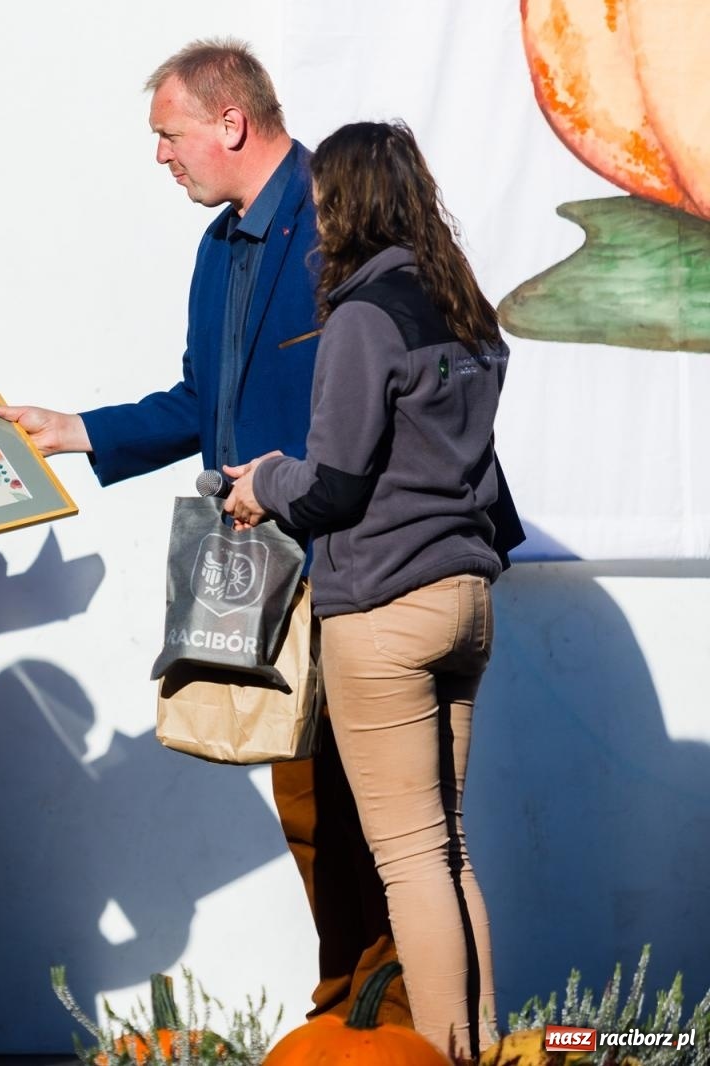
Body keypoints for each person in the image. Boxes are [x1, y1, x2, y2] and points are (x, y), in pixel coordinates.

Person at [0, 39, 412, 1025]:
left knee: (369, 802)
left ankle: (390, 1008)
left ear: (230, 123)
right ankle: (339, 991)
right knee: (302, 798)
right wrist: (77, 431)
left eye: (167, 134)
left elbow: (382, 392)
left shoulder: (341, 213)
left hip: (352, 560)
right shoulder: (219, 245)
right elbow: (201, 399)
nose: (159, 156)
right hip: (257, 564)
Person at [224, 120, 515, 1062]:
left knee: (409, 860)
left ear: (342, 201)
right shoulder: (464, 305)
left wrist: (261, 481)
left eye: (319, 198)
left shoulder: (363, 314)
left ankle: (435, 1051)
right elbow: (474, 469)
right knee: (451, 847)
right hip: (467, 597)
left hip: (386, 608)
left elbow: (336, 485)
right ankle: (482, 1044)